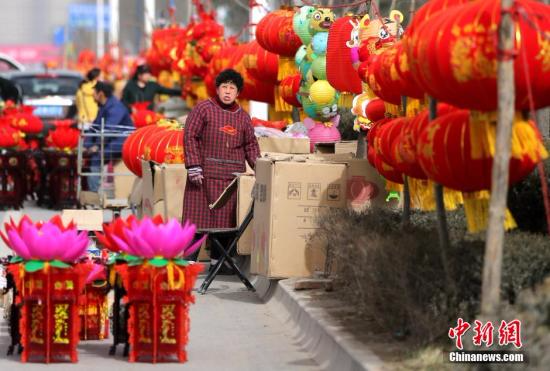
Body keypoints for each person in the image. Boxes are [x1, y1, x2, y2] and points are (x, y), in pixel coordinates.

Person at [182, 69, 260, 270]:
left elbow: (250, 145)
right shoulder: (203, 109)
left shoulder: (243, 117)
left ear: (237, 93)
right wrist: (193, 166)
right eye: (224, 87)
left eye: (232, 88)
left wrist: (261, 169)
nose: (227, 91)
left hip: (230, 180)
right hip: (202, 176)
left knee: (225, 225)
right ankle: (186, 263)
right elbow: (190, 136)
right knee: (195, 222)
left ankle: (220, 264)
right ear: (217, 89)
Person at [85, 81, 134, 192]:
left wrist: (97, 146)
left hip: (121, 142)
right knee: (87, 157)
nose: (92, 95)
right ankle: (90, 191)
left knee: (97, 158)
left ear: (101, 94)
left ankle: (93, 194)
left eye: (94, 92)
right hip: (111, 140)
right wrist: (86, 145)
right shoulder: (104, 106)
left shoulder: (115, 107)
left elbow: (108, 129)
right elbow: (95, 127)